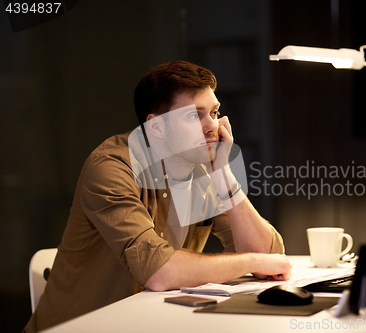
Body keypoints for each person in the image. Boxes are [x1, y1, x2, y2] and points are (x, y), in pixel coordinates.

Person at [24, 61, 291, 332]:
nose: (212, 126)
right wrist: (253, 261)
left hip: (151, 323)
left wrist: (224, 174)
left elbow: (270, 258)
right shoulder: (111, 167)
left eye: (214, 112)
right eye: (194, 115)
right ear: (157, 128)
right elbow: (159, 272)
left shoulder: (201, 171)